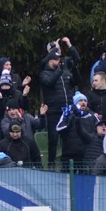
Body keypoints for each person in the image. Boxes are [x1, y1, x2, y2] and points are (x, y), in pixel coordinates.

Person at [39, 38, 81, 166]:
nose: (59, 61)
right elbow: (49, 82)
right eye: (56, 59)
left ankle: (65, 164)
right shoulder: (45, 73)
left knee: (68, 139)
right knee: (53, 139)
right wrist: (59, 70)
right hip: (53, 111)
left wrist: (74, 70)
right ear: (50, 60)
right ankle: (51, 164)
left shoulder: (65, 72)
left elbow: (76, 81)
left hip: (66, 110)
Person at [56, 92, 97, 171]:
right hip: (69, 156)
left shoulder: (92, 116)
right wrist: (71, 117)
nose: (83, 102)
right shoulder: (67, 114)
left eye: (85, 100)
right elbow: (59, 129)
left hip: (85, 156)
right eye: (80, 100)